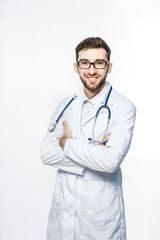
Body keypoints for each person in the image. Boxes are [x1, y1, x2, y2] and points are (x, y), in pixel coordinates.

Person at [40, 37, 136, 240]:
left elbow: (110, 162)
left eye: (99, 63)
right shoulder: (66, 104)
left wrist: (66, 143)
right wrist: (94, 153)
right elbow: (47, 153)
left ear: (109, 67)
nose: (91, 70)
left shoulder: (124, 107)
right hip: (63, 214)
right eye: (85, 63)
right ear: (76, 66)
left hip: (100, 219)